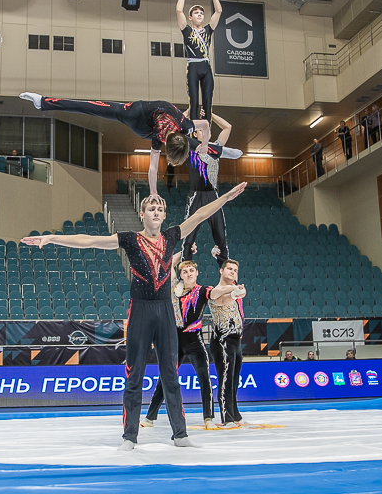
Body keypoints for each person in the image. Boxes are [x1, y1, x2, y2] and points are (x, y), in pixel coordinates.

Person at [21, 182, 249, 449]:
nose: (156, 212)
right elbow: (90, 241)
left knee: (170, 375)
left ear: (164, 215)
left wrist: (225, 197)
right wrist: (51, 238)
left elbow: (200, 215)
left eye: (160, 209)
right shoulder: (130, 239)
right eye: (151, 208)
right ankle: (130, 436)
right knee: (134, 375)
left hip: (164, 311)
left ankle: (180, 434)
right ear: (142, 214)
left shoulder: (172, 236)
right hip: (140, 311)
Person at [19, 92, 239, 197]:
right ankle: (42, 102)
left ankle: (219, 150)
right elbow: (152, 168)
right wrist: (153, 191)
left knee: (192, 144)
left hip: (157, 120)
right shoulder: (160, 137)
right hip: (137, 116)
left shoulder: (186, 123)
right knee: (92, 107)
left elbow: (205, 126)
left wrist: (204, 144)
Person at [141, 251, 218, 430]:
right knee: (165, 379)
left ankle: (208, 418)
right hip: (174, 340)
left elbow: (217, 292)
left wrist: (231, 290)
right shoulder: (174, 288)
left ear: (197, 273)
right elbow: (167, 264)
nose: (189, 273)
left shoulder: (203, 290)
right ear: (181, 275)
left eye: (192, 271)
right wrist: (185, 251)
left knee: (204, 378)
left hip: (194, 340)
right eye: (185, 271)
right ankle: (150, 418)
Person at [180, 111, 232, 267]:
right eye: (201, 129)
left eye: (207, 128)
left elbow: (227, 127)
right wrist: (190, 111)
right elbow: (177, 129)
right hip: (196, 195)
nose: (205, 130)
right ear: (195, 134)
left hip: (213, 196)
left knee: (221, 237)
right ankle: (185, 273)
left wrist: (210, 114)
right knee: (188, 238)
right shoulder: (190, 147)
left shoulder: (216, 148)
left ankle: (225, 272)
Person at [176, 0, 222, 121]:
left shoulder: (208, 30)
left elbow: (219, 11)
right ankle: (194, 129)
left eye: (201, 13)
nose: (200, 14)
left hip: (206, 66)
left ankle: (207, 129)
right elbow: (179, 11)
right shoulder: (187, 31)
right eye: (196, 13)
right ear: (190, 17)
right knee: (194, 101)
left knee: (208, 100)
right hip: (193, 67)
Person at [208, 259, 247, 427]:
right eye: (229, 269)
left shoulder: (236, 290)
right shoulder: (213, 291)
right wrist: (235, 291)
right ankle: (227, 416)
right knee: (226, 380)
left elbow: (240, 293)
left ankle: (235, 413)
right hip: (222, 340)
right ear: (221, 271)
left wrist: (238, 291)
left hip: (235, 339)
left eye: (235, 270)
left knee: (234, 380)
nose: (233, 272)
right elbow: (222, 300)